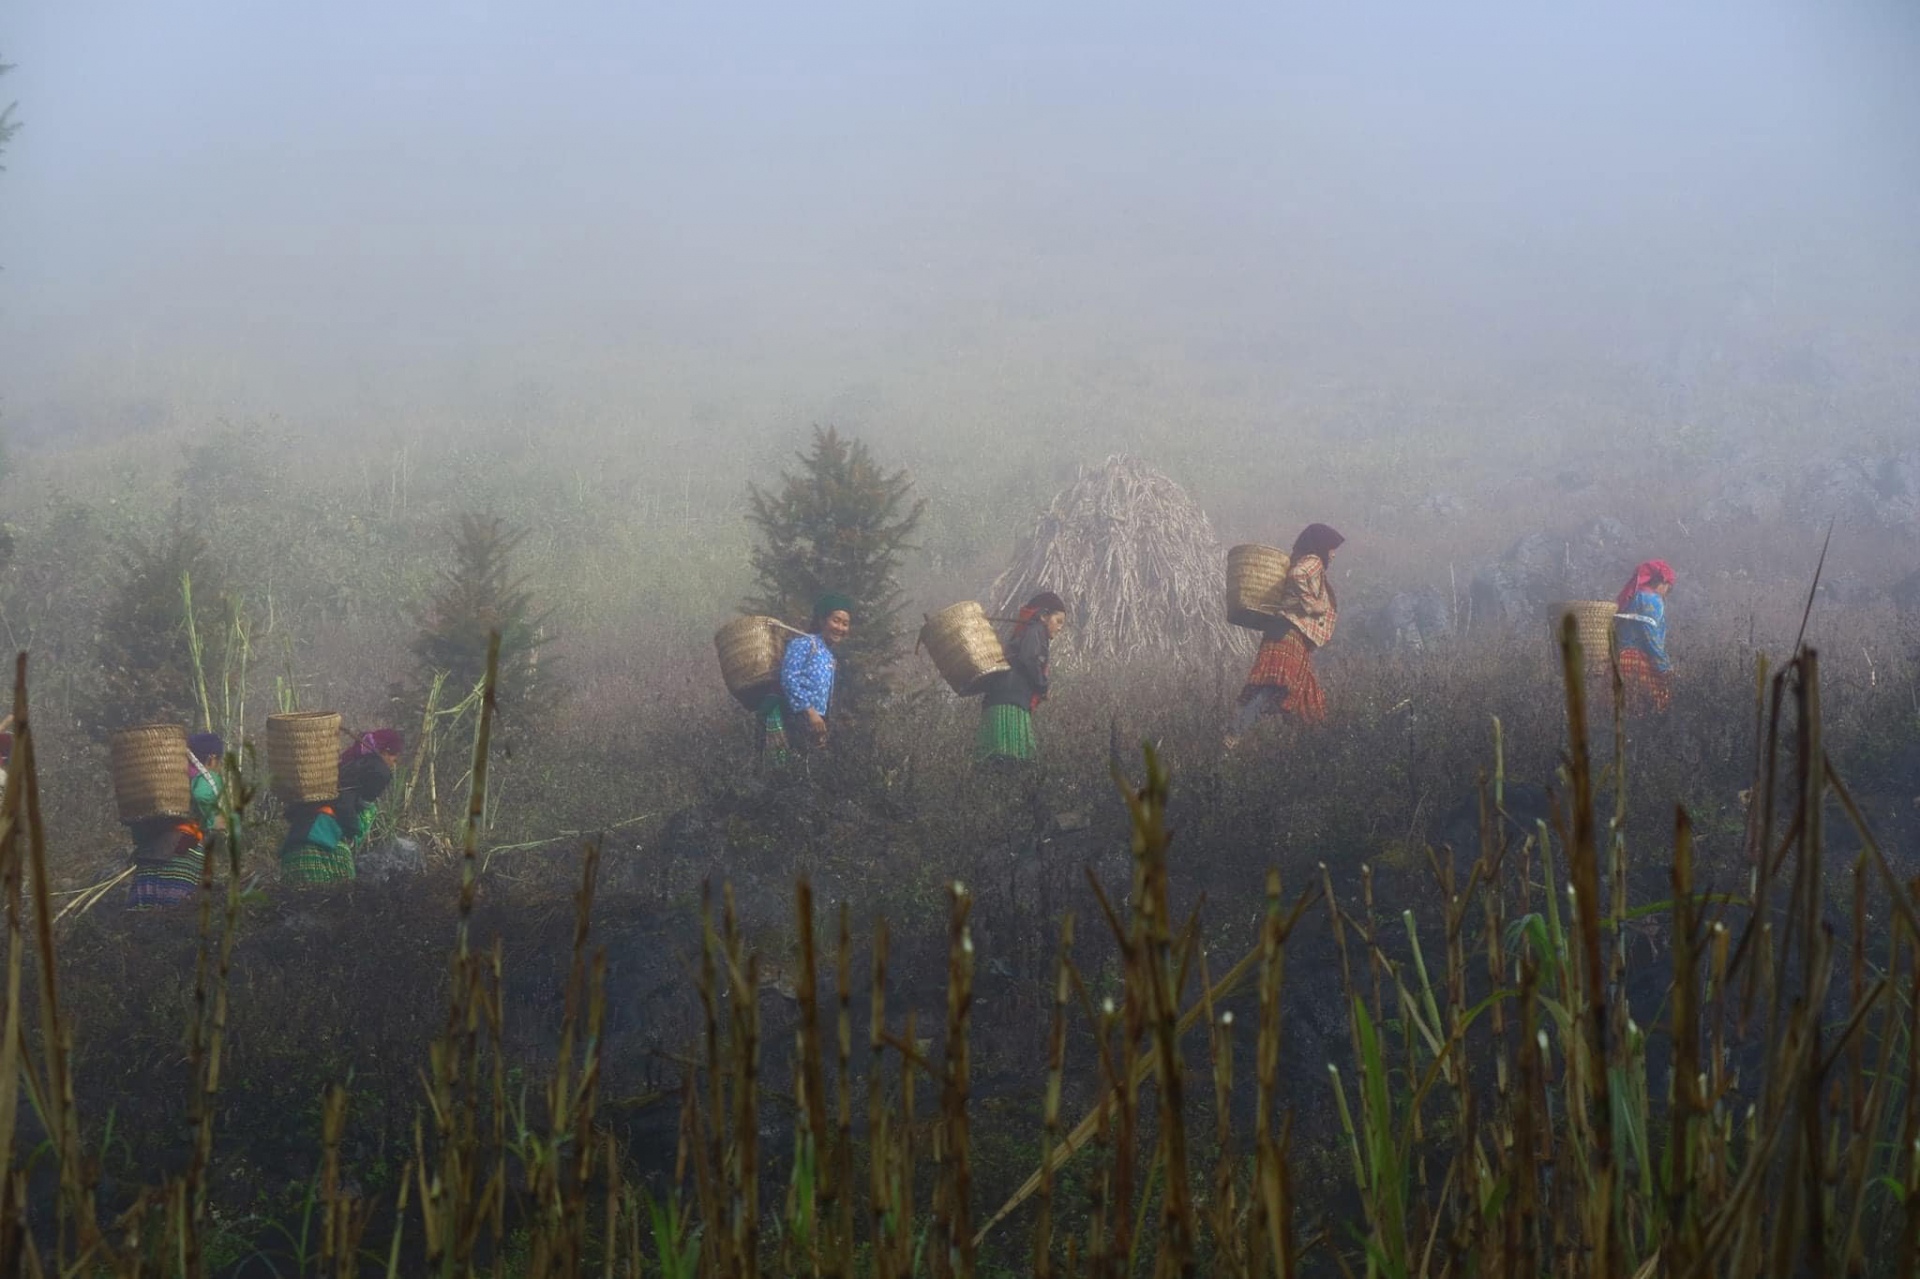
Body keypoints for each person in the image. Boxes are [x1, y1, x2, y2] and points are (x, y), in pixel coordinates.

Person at [1229, 524, 1345, 742]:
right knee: (1275, 688)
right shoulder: (1313, 561)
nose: (1333, 554)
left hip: (1284, 631)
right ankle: (1234, 735)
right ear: (1321, 546)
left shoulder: (1301, 558)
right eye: (1332, 548)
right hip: (1289, 633)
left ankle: (1307, 749)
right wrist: (1312, 604)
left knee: (1306, 698)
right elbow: (1298, 575)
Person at [127, 732, 224, 908]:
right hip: (182, 853)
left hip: (148, 854)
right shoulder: (206, 778)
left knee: (140, 919)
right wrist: (212, 821)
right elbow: (202, 796)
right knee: (175, 917)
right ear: (212, 758)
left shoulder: (169, 778)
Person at [978, 591, 1067, 765]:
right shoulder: (1036, 630)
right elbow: (1029, 658)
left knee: (1001, 754)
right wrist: (1042, 686)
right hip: (1010, 699)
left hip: (1004, 697)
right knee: (1012, 756)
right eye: (1058, 621)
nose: (1060, 627)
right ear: (1043, 617)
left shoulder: (1028, 632)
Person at [762, 593, 852, 764]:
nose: (840, 627)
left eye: (845, 624)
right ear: (822, 621)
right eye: (836, 620)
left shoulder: (829, 655)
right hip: (793, 717)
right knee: (784, 766)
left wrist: (821, 722)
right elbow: (789, 678)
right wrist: (810, 712)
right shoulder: (805, 644)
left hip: (814, 722)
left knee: (807, 769)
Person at [1614, 559, 1676, 714]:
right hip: (1639, 659)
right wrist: (1664, 665)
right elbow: (1651, 635)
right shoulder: (1651, 600)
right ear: (1661, 582)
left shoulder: (1634, 595)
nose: (1667, 593)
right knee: (1651, 706)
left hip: (1620, 657)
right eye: (1668, 587)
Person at [337, 729, 403, 851]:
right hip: (343, 810)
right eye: (394, 759)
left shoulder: (358, 755)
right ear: (386, 752)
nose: (394, 765)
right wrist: (354, 830)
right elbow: (363, 801)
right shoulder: (381, 770)